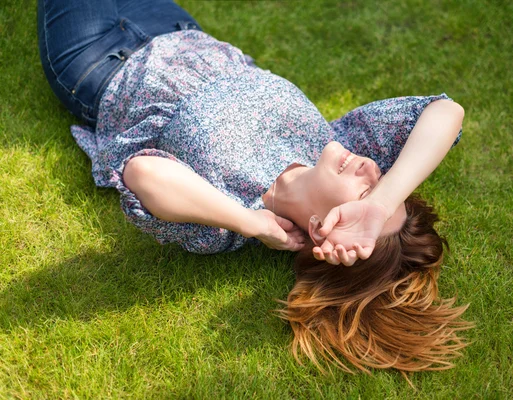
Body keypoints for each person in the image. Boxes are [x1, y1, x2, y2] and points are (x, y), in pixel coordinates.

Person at [38, 0, 471, 374]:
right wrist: (379, 204)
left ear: (323, 229)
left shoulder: (231, 219)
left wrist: (249, 223)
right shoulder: (340, 144)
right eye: (379, 186)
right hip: (177, 29)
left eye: (363, 196)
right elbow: (446, 112)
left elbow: (141, 173)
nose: (371, 171)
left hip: (98, 61)